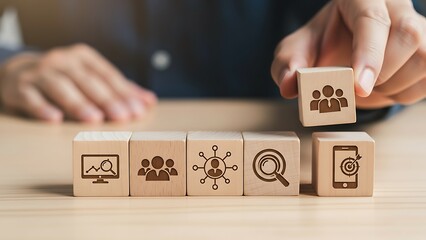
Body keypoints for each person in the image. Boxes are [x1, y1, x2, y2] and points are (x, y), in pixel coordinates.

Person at [0, 0, 425, 123]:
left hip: (282, 157)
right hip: (61, 129)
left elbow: (405, 24)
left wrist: (380, 67)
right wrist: (7, 64)